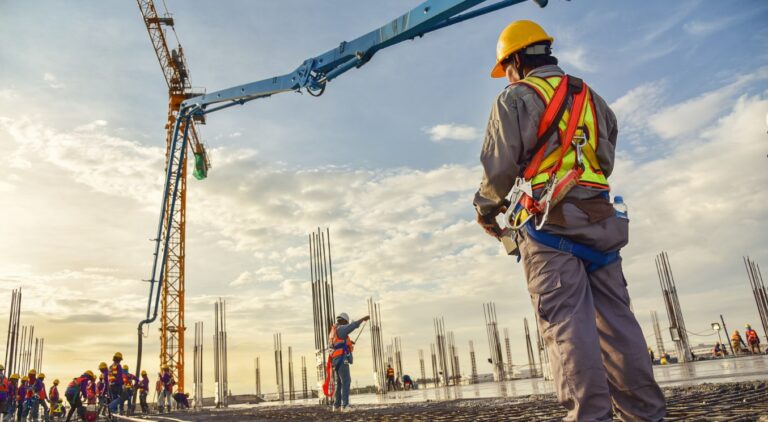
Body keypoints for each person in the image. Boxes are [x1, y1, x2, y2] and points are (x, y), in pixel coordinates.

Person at [473, 20, 666, 421]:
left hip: (549, 227)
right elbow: (605, 159)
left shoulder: (515, 98)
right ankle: (646, 414)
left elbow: (499, 168)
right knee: (619, 326)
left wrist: (486, 209)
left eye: (505, 68)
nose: (505, 77)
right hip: (601, 222)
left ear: (516, 60)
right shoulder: (593, 98)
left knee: (567, 329)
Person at [329, 312, 369, 411]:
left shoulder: (333, 331)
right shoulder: (341, 328)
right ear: (343, 321)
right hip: (342, 359)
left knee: (340, 383)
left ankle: (337, 406)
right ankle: (345, 406)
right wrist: (363, 319)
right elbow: (353, 326)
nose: (346, 325)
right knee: (346, 381)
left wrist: (349, 343)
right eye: (346, 323)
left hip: (335, 360)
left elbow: (337, 344)